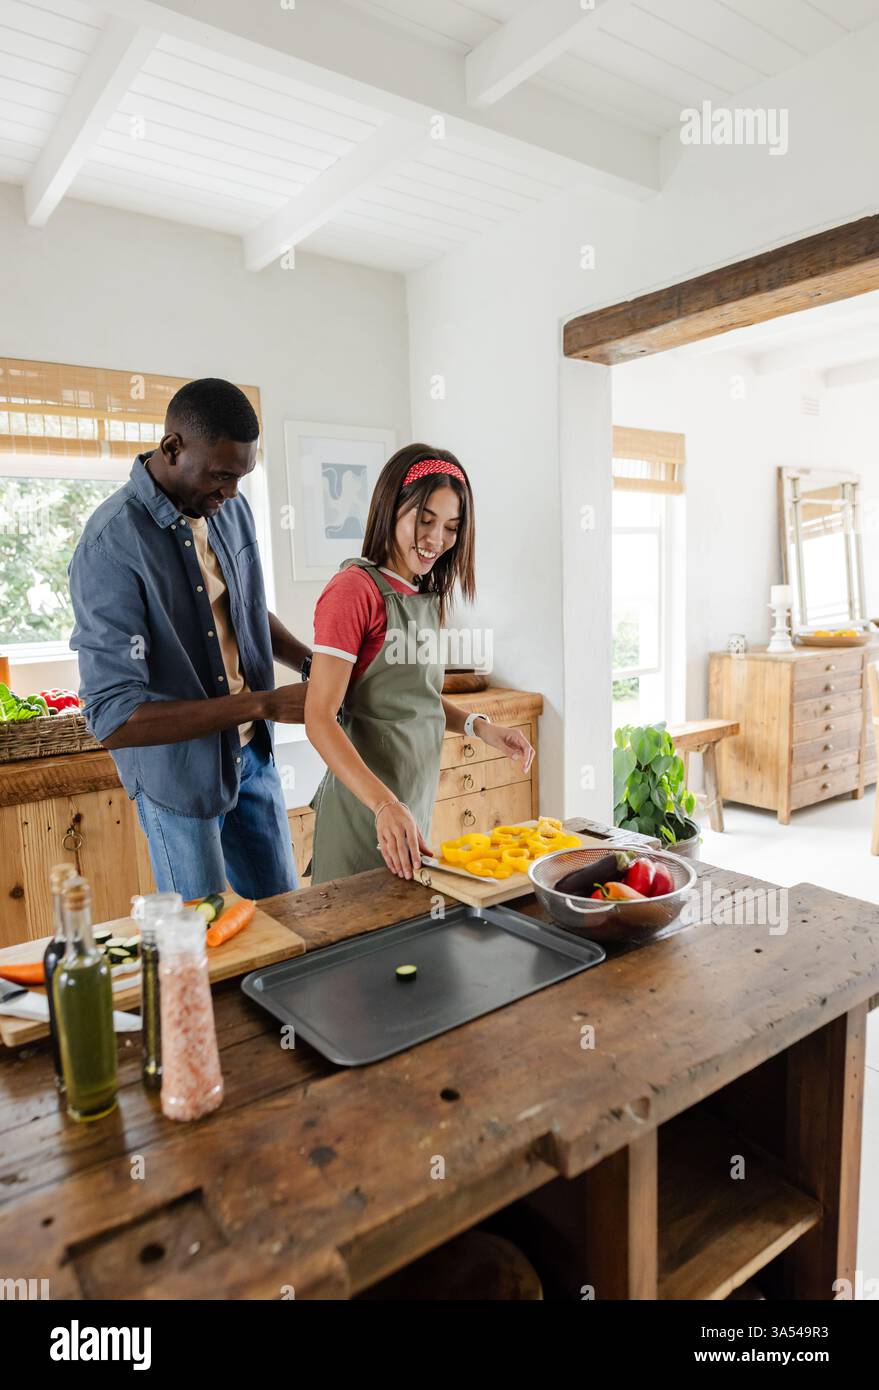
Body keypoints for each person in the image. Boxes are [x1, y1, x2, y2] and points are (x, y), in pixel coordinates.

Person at [69, 378, 310, 901]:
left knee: (286, 924)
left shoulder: (227, 508)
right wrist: (263, 703)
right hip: (179, 783)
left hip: (255, 761)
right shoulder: (110, 545)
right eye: (222, 476)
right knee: (203, 946)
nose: (232, 494)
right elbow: (113, 718)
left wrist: (310, 662)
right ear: (172, 447)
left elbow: (243, 611)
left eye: (242, 477)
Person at [305, 444, 534, 883]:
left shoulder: (423, 595)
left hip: (410, 810)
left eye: (451, 527)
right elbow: (318, 718)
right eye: (425, 520)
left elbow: (416, 698)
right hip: (365, 813)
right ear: (391, 507)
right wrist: (385, 805)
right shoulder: (354, 591)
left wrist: (481, 727)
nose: (436, 540)